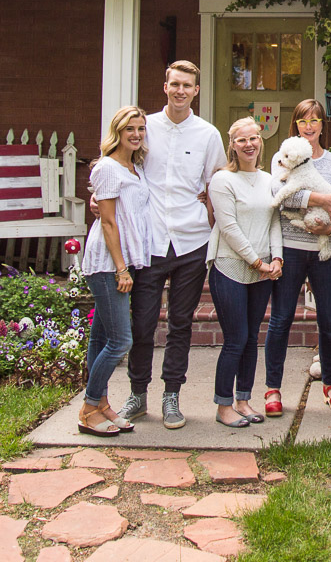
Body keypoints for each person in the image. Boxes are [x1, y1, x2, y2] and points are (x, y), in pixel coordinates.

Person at [114, 60, 226, 430]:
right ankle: (137, 393)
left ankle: (172, 396)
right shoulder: (144, 128)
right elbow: (119, 164)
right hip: (149, 241)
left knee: (181, 323)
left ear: (196, 91)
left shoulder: (207, 134)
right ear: (165, 86)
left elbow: (218, 183)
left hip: (191, 241)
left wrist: (214, 218)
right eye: (174, 84)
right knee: (143, 323)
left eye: (187, 86)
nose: (180, 91)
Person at [263, 99, 331, 418]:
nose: (309, 126)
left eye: (315, 120)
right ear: (295, 125)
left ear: (322, 125)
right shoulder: (282, 158)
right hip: (291, 248)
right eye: (303, 121)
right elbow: (277, 195)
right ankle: (273, 388)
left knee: (329, 322)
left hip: (328, 248)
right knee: (281, 318)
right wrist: (316, 199)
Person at [205, 117, 285, 427]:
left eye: (253, 138)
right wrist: (257, 262)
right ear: (233, 146)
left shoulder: (268, 179)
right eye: (242, 140)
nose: (249, 144)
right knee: (235, 338)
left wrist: (276, 258)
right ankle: (223, 405)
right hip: (230, 267)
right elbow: (228, 227)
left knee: (252, 338)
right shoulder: (222, 180)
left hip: (263, 269)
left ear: (260, 142)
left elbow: (274, 221)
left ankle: (243, 399)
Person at [78, 105, 149, 437]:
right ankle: (89, 406)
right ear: (117, 131)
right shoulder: (107, 167)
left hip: (121, 262)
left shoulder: (134, 167)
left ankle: (102, 405)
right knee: (121, 341)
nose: (135, 134)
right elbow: (107, 221)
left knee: (102, 338)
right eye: (129, 129)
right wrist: (121, 269)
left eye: (140, 129)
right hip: (107, 264)